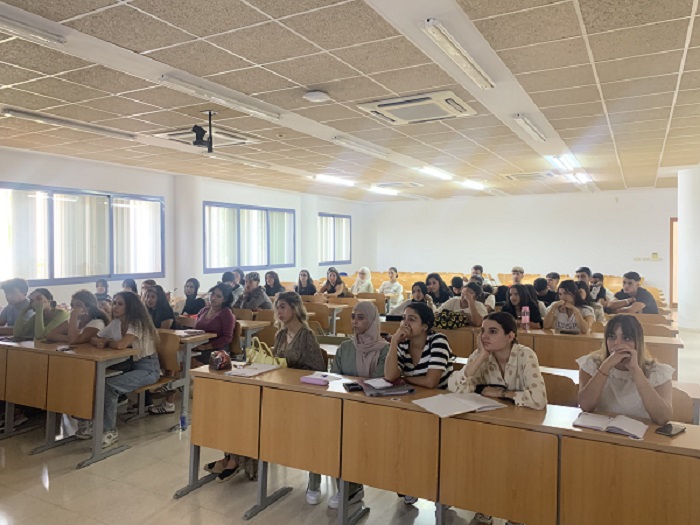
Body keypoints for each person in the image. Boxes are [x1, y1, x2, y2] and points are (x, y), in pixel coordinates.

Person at [206, 292, 325, 493]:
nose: (279, 311)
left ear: (295, 308)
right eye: (277, 307)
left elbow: (318, 370)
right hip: (276, 391)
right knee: (238, 409)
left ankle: (236, 460)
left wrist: (292, 375)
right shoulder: (280, 335)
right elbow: (275, 363)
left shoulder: (306, 336)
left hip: (297, 396)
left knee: (251, 416)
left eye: (283, 307)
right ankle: (230, 456)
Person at [448, 311, 547, 525]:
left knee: (517, 467)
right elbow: (455, 388)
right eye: (483, 331)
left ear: (510, 336)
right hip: (490, 425)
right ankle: (486, 508)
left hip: (523, 429)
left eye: (493, 332)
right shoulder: (482, 354)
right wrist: (482, 356)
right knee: (483, 461)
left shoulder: (525, 354)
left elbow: (538, 399)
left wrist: (502, 393)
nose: (485, 336)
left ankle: (516, 512)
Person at [327, 302, 388, 509]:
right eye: (353, 316)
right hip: (345, 405)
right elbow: (334, 377)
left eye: (361, 317)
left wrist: (357, 383)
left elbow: (380, 381)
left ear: (372, 320)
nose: (355, 321)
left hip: (373, 409)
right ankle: (349, 488)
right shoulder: (345, 347)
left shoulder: (385, 349)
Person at [90, 291, 161, 447]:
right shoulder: (116, 323)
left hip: (148, 368)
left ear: (131, 307)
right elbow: (95, 337)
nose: (115, 307)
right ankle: (90, 423)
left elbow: (121, 344)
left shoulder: (137, 324)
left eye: (120, 304)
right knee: (94, 379)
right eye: (114, 303)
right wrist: (101, 341)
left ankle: (109, 430)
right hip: (129, 366)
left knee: (109, 386)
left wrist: (106, 342)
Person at [577, 314, 672, 425]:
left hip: (641, 436)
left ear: (637, 342)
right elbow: (586, 406)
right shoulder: (591, 364)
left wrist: (636, 370)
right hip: (601, 433)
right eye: (612, 337)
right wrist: (606, 366)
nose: (617, 343)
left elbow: (663, 418)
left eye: (626, 338)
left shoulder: (657, 372)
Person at [384, 302, 453, 390]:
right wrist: (394, 342)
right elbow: (390, 377)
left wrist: (403, 379)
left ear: (424, 326)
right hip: (413, 396)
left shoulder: (438, 341)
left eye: (412, 319)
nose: (405, 323)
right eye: (403, 318)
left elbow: (430, 382)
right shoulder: (403, 344)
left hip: (441, 397)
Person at [191, 283, 235, 364]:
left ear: (224, 300)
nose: (213, 298)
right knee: (179, 354)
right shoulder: (204, 310)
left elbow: (227, 338)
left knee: (188, 360)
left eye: (218, 296)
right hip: (199, 346)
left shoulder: (226, 313)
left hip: (216, 350)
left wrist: (205, 347)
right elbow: (195, 330)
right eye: (213, 294)